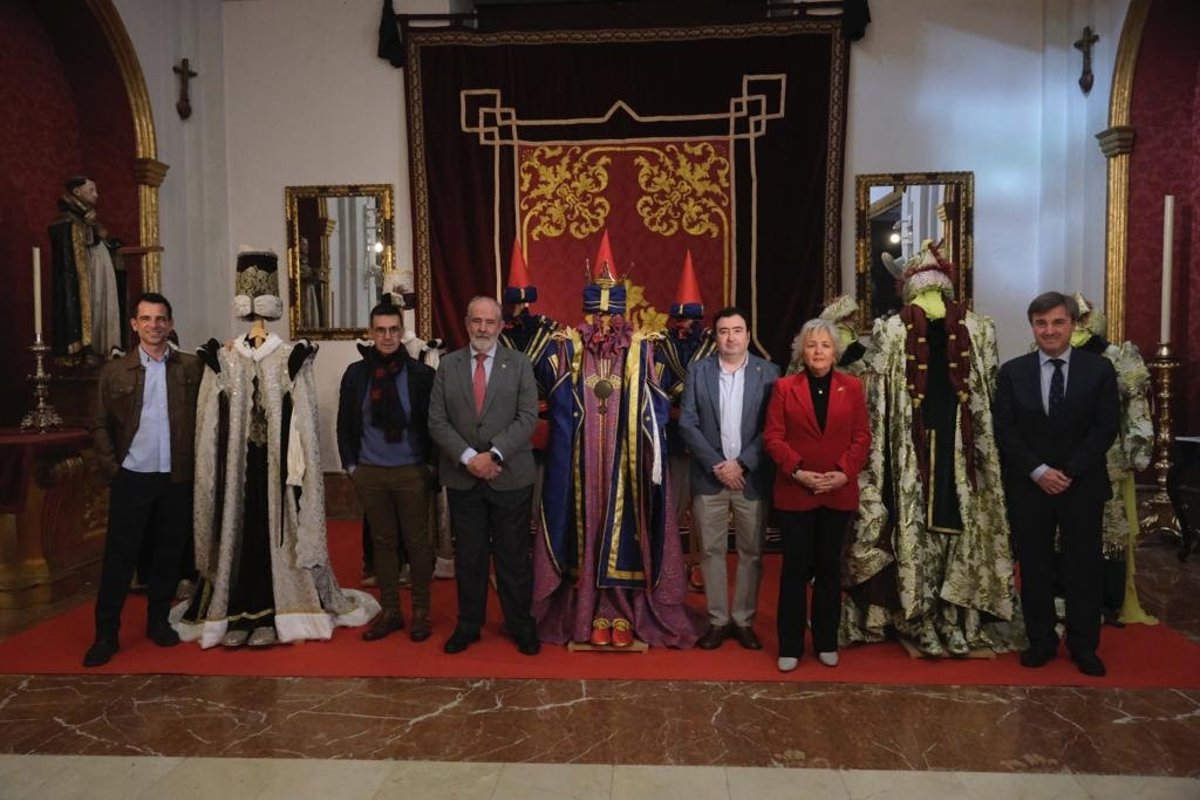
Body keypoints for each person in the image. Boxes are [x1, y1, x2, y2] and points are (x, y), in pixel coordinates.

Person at [180, 251, 378, 648]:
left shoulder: (291, 356)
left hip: (280, 469)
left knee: (275, 532)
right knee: (240, 531)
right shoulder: (225, 357)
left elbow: (304, 417)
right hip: (238, 466)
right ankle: (238, 612)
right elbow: (211, 418)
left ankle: (278, 610)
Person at [842, 240, 1018, 656]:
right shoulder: (893, 331)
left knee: (958, 528)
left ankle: (954, 615)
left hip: (960, 450)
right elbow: (878, 396)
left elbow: (988, 394)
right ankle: (920, 616)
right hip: (911, 450)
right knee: (916, 528)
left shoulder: (976, 329)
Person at [532, 230, 703, 648]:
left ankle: (621, 611)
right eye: (597, 314)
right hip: (580, 466)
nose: (604, 322)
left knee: (627, 531)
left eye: (611, 314)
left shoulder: (644, 349)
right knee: (582, 530)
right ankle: (586, 609)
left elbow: (668, 396)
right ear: (586, 312)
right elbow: (541, 391)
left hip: (627, 465)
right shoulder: (565, 349)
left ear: (624, 312)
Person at [994, 291, 1119, 677]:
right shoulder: (1012, 372)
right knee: (1035, 567)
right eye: (1041, 323)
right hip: (1031, 486)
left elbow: (1106, 427)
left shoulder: (1098, 370)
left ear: (1073, 325)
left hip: (1082, 484)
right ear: (1032, 327)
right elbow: (1005, 429)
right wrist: (1038, 471)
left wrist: (1070, 471)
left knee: (1084, 567)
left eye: (1058, 322)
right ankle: (1041, 640)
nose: (1049, 330)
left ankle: (1084, 645)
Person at [84, 292, 202, 667]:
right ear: (135, 325)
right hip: (132, 476)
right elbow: (99, 423)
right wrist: (113, 470)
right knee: (120, 557)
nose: (154, 325)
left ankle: (158, 622)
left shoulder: (191, 367)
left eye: (161, 318)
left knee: (168, 554)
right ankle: (106, 634)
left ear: (170, 323)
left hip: (176, 477)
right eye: (146, 319)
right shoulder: (115, 372)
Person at [428, 295, 541, 656]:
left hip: (510, 475)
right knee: (470, 557)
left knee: (513, 557)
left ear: (500, 326)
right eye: (476, 321)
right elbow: (436, 420)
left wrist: (492, 454)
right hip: (463, 478)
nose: (482, 328)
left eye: (490, 322)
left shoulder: (519, 364)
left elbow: (528, 416)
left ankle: (520, 624)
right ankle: (468, 625)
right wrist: (469, 459)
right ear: (466, 323)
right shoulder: (447, 365)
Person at [764, 319, 870, 671]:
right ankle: (790, 646)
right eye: (812, 345)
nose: (819, 351)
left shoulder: (852, 387)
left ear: (835, 351)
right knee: (794, 569)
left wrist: (843, 474)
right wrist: (797, 471)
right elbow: (773, 437)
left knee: (828, 569)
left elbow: (861, 437)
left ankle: (826, 641)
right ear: (802, 351)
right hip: (796, 491)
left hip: (837, 492)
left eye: (825, 345)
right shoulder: (784, 388)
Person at [678, 305, 779, 650]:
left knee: (751, 553)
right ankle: (718, 621)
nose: (731, 337)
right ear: (716, 337)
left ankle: (744, 620)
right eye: (724, 331)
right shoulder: (698, 371)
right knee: (711, 552)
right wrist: (718, 465)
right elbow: (687, 423)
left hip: (751, 479)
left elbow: (772, 426)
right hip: (710, 478)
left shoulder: (769, 373)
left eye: (737, 331)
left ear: (748, 336)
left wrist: (743, 465)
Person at [338, 303, 437, 642]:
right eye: (380, 330)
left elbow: (434, 424)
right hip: (370, 472)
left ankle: (421, 612)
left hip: (412, 472)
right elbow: (345, 424)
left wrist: (430, 468)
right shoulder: (356, 374)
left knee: (418, 544)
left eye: (394, 329)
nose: (387, 336)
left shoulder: (421, 375)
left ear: (402, 332)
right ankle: (391, 611)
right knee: (383, 544)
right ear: (370, 333)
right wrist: (352, 467)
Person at [1067, 294, 1154, 626]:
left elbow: (1135, 406)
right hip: (1060, 453)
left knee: (1108, 528)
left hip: (1107, 455)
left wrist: (1137, 448)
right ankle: (1062, 592)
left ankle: (1108, 599)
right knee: (1062, 526)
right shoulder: (1046, 355)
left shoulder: (1117, 357)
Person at [656, 250, 716, 592]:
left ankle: (701, 565)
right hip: (674, 437)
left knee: (705, 509)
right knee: (675, 505)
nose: (682, 325)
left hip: (707, 440)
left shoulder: (713, 347)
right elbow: (656, 389)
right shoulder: (661, 347)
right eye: (678, 318)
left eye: (688, 319)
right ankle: (672, 564)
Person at [48, 175, 124, 361]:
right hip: (84, 277)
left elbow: (102, 237)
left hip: (96, 270)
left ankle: (105, 348)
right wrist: (87, 227)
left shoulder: (87, 217)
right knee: (90, 306)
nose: (96, 195)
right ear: (77, 192)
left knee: (100, 304)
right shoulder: (68, 220)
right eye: (91, 190)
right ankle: (86, 348)